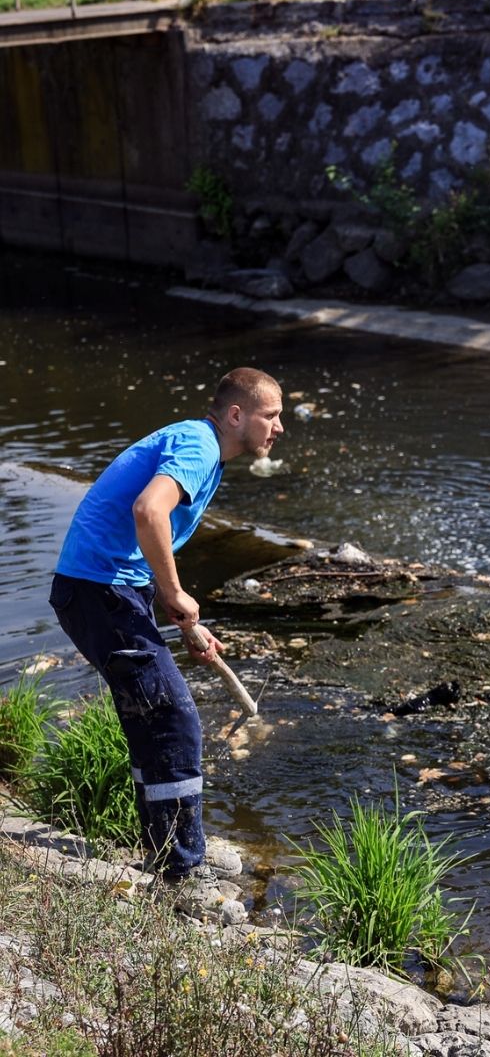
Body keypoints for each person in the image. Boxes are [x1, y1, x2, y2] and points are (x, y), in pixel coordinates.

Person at [48, 367, 284, 919]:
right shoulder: (199, 445)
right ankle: (181, 873)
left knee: (153, 719)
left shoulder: (199, 446)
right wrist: (175, 592)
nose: (278, 429)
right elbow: (147, 511)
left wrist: (182, 617)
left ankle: (171, 854)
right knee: (172, 719)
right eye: (270, 416)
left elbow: (140, 542)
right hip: (95, 589)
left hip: (104, 589)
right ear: (235, 415)